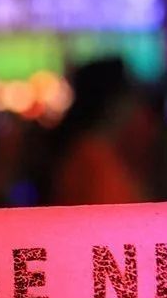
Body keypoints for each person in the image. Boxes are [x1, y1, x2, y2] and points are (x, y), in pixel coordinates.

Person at [51, 58, 146, 206]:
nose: (135, 107)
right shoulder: (92, 159)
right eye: (130, 97)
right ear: (112, 103)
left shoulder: (91, 151)